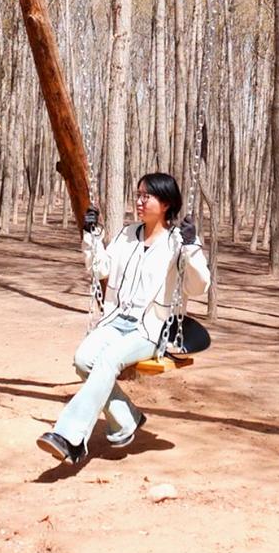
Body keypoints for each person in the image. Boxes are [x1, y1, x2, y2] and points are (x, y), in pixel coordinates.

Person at [37, 173, 210, 465]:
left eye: (147, 196)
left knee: (108, 360)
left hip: (150, 329)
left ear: (166, 203)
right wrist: (92, 236)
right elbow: (100, 269)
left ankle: (70, 437)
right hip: (116, 320)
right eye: (138, 195)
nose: (139, 202)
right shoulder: (126, 235)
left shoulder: (177, 243)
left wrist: (192, 248)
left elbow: (198, 287)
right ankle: (126, 419)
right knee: (83, 360)